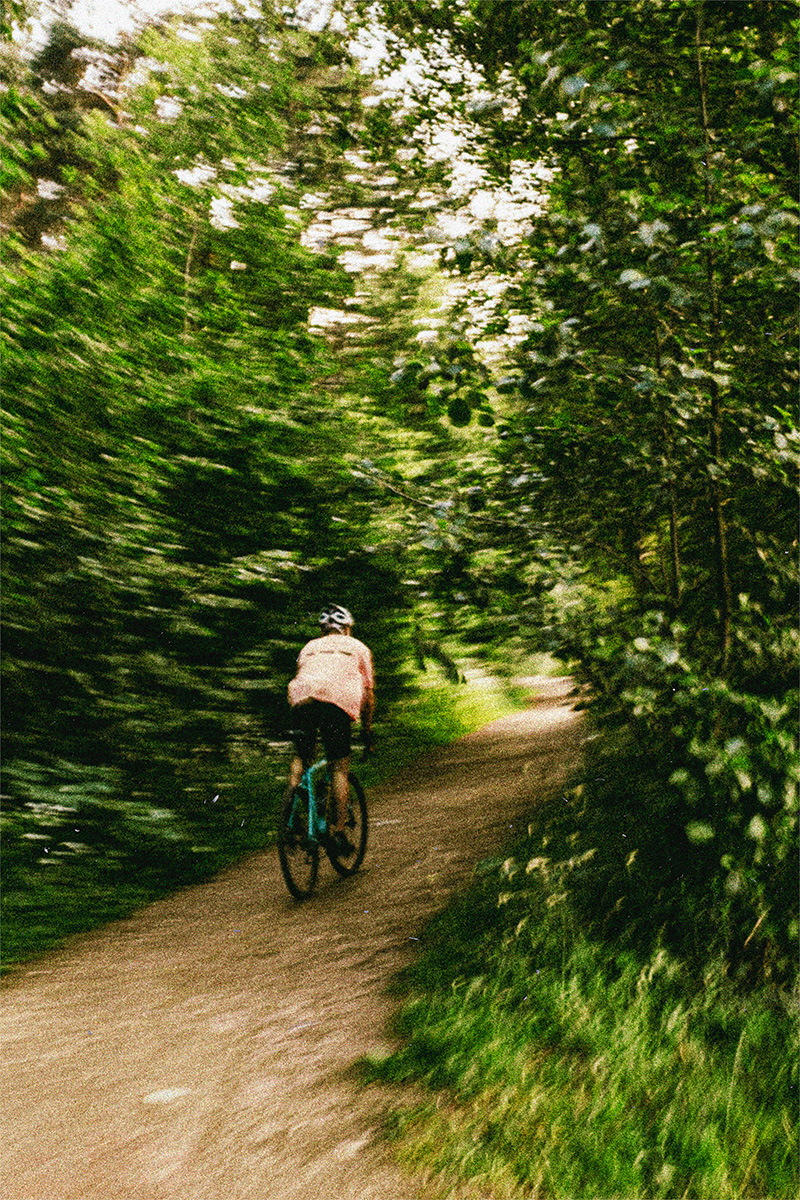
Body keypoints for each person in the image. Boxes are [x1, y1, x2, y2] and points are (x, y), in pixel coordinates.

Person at [287, 604, 375, 857]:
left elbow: (302, 676)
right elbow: (368, 694)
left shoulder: (309, 647)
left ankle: (292, 817)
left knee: (302, 757)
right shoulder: (358, 647)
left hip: (301, 701)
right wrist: (367, 731)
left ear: (322, 630)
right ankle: (337, 832)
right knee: (339, 766)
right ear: (347, 628)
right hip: (336, 705)